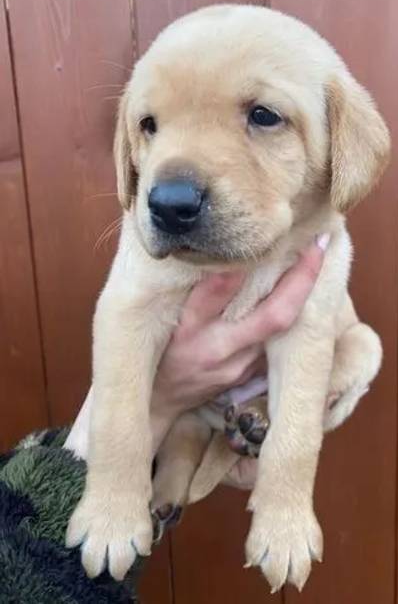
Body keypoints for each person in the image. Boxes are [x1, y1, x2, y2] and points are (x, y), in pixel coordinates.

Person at [0, 238, 326, 604]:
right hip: (196, 413)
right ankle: (176, 473)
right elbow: (128, 315)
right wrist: (116, 484)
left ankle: (206, 454)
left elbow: (310, 344)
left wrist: (287, 496)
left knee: (359, 354)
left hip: (255, 401)